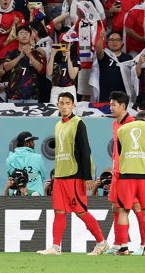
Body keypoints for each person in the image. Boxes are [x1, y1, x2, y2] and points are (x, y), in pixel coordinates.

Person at [37, 92, 109, 256]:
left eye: (67, 103)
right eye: (61, 103)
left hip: (74, 175)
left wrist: (87, 176)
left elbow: (85, 150)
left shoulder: (79, 123)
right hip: (60, 176)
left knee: (81, 211)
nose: (64, 106)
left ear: (73, 105)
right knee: (59, 211)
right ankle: (55, 247)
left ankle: (102, 242)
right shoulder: (58, 125)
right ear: (57, 105)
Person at [105, 91, 141, 255]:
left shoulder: (134, 124)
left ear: (123, 106)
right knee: (116, 206)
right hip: (117, 173)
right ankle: (119, 243)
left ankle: (139, 245)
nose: (110, 107)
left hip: (130, 173)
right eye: (110, 104)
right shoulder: (115, 124)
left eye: (113, 104)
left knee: (136, 206)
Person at [114, 112, 145, 256]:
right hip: (143, 175)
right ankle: (144, 246)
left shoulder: (121, 130)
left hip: (126, 176)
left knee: (123, 211)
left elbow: (120, 153)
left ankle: (124, 247)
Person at [5, 132, 47, 196]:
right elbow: (43, 175)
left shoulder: (10, 159)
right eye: (32, 142)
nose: (34, 144)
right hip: (36, 197)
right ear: (27, 143)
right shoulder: (37, 157)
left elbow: (11, 178)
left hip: (17, 197)